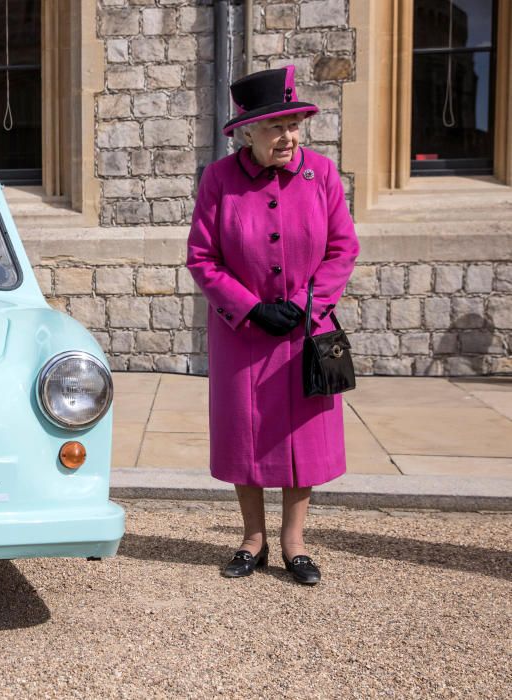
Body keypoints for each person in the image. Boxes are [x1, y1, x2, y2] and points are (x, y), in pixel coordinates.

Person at [185, 66, 360, 585]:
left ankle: (295, 543)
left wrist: (311, 304)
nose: (289, 137)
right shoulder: (219, 180)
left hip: (306, 331)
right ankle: (252, 540)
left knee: (301, 436)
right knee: (246, 433)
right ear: (248, 133)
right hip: (244, 335)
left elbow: (342, 248)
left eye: (295, 125)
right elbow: (202, 257)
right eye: (276, 127)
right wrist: (249, 307)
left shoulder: (322, 174)